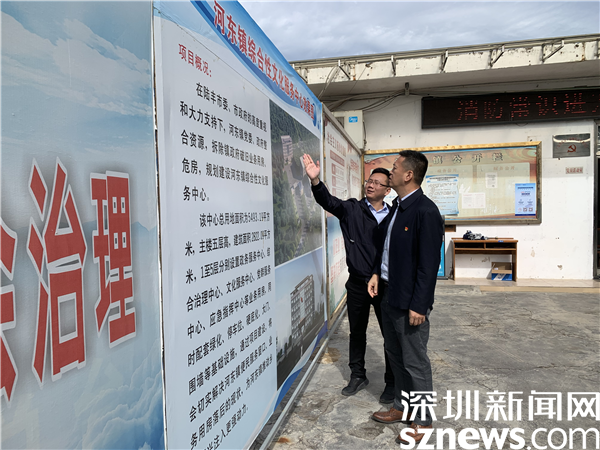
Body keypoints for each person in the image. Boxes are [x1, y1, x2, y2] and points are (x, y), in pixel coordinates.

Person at [302, 153, 396, 403]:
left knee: (390, 335)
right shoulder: (352, 209)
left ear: (387, 190)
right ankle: (357, 375)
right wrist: (315, 181)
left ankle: (392, 381)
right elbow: (328, 202)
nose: (371, 185)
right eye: (369, 181)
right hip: (357, 284)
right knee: (357, 332)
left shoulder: (394, 215)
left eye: (377, 183)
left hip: (385, 285)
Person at [367, 150, 443, 445]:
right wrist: (377, 273)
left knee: (415, 361)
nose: (391, 172)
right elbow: (386, 248)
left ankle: (423, 420)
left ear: (409, 174)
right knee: (395, 356)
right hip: (389, 294)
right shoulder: (397, 207)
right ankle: (401, 406)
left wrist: (419, 305)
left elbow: (428, 265)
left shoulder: (425, 211)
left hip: (410, 301)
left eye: (396, 167)